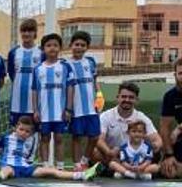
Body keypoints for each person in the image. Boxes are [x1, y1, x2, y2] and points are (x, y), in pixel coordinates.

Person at [0, 116, 98, 181]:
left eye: (27, 131)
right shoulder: (6, 138)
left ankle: (83, 175)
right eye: (21, 129)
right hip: (10, 166)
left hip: (25, 168)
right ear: (16, 127)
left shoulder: (32, 141)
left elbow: (29, 158)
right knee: (7, 170)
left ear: (30, 133)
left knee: (52, 171)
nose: (23, 133)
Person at [96, 82, 162, 167]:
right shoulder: (106, 116)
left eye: (131, 97)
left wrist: (153, 146)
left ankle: (127, 168)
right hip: (112, 155)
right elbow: (99, 140)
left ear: (137, 100)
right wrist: (109, 152)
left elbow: (158, 140)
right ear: (117, 98)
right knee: (96, 152)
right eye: (124, 97)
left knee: (157, 154)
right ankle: (117, 168)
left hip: (136, 156)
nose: (127, 100)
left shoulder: (142, 118)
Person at [31, 33, 70, 168]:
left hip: (60, 111)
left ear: (60, 48)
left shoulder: (65, 67)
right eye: (48, 45)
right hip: (44, 112)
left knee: (59, 138)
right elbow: (35, 90)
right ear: (43, 49)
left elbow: (70, 88)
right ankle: (45, 165)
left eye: (55, 45)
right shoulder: (38, 69)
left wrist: (68, 109)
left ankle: (60, 165)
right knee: (45, 138)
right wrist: (35, 110)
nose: (52, 48)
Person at [66, 30, 102, 170]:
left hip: (91, 107)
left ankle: (84, 160)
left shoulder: (91, 62)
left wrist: (99, 95)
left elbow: (95, 81)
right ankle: (77, 166)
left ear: (87, 47)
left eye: (82, 45)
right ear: (71, 45)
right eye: (77, 44)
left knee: (94, 136)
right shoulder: (66, 64)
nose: (79, 47)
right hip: (76, 107)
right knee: (77, 137)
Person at [8, 18, 43, 126]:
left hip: (36, 103)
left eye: (30, 31)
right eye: (24, 31)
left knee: (37, 135)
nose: (26, 33)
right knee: (18, 132)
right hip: (17, 102)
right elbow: (11, 74)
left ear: (35, 33)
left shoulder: (41, 52)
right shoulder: (14, 52)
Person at [159, 57, 182, 178]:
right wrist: (169, 155)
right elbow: (164, 127)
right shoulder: (170, 96)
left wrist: (179, 128)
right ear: (175, 75)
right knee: (169, 172)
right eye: (181, 73)